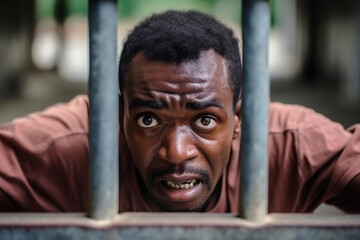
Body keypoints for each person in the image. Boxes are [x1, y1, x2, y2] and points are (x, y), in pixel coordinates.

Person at [0, 10, 359, 213]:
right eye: (148, 119)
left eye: (204, 120)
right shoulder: (69, 143)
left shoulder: (289, 144)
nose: (176, 152)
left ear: (240, 119)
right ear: (118, 114)